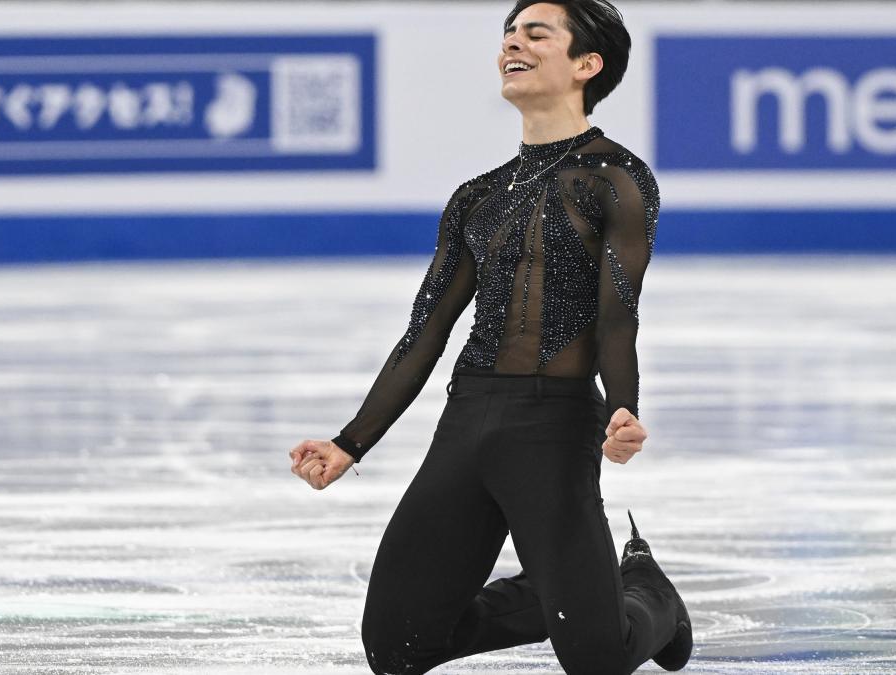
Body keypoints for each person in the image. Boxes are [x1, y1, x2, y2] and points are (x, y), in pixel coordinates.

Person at [289, 1, 691, 672]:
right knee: (397, 647)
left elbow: (618, 313)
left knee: (596, 658)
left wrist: (624, 406)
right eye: (509, 33)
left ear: (586, 65)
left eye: (537, 33)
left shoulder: (617, 179)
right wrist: (348, 441)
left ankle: (647, 593)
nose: (514, 42)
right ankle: (586, 589)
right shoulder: (478, 196)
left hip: (555, 424)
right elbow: (425, 331)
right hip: (469, 418)